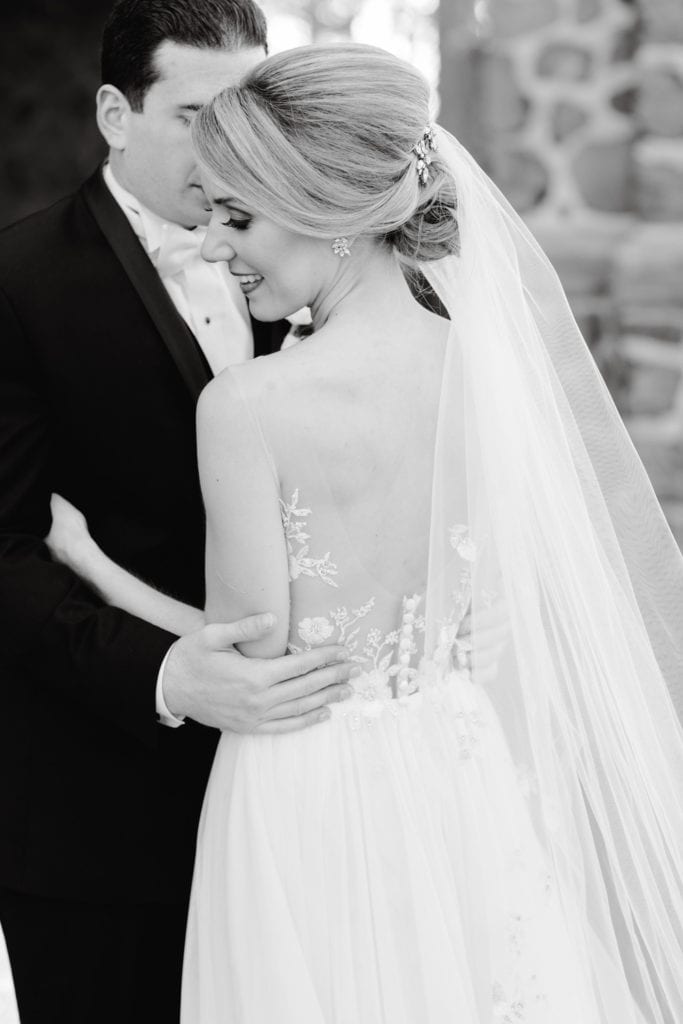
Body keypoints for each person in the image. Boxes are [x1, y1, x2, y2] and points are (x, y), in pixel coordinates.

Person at [50, 42, 683, 1024]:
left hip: (307, 794)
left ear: (322, 213)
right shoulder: (484, 378)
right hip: (461, 775)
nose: (213, 247)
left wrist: (91, 563)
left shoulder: (248, 406)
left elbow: (252, 665)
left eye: (236, 216)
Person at [0, 5, 356, 1022]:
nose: (229, 147)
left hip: (310, 784)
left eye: (248, 111)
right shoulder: (18, 283)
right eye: (196, 115)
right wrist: (162, 671)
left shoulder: (322, 266)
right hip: (98, 808)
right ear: (116, 113)